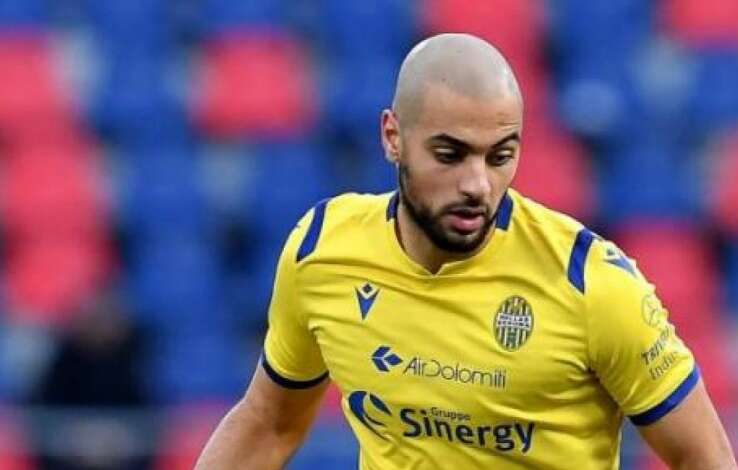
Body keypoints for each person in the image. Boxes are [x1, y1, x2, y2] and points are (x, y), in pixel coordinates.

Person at [195, 33, 737, 469]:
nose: (478, 184)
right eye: (450, 154)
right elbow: (269, 424)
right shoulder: (323, 251)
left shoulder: (592, 284)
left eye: (500, 156)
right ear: (392, 137)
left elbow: (703, 458)